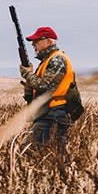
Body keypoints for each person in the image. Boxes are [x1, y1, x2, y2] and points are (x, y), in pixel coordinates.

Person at [19, 26, 80, 154]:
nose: (34, 45)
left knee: (28, 149)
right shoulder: (48, 60)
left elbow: (45, 86)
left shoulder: (57, 59)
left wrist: (28, 74)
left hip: (54, 113)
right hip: (49, 112)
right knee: (55, 153)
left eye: (37, 41)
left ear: (49, 42)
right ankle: (63, 172)